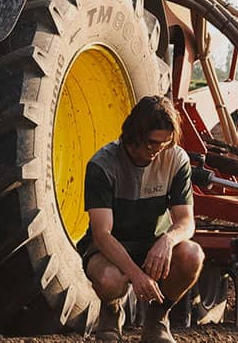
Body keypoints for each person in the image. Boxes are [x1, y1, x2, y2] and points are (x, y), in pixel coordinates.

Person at [82, 95, 205, 342]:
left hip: (153, 246)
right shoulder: (102, 165)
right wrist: (136, 276)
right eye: (152, 143)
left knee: (193, 255)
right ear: (134, 134)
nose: (157, 150)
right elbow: (102, 234)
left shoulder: (175, 159)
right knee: (109, 280)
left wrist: (167, 241)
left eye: (164, 144)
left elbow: (186, 221)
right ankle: (111, 309)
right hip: (110, 250)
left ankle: (157, 318)